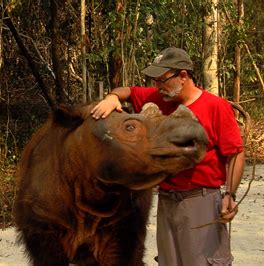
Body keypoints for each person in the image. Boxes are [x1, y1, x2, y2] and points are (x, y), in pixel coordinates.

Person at [90, 47, 245, 266]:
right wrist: (111, 97)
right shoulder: (159, 98)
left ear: (183, 76)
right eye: (155, 81)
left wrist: (230, 194)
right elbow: (127, 91)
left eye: (162, 80)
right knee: (169, 262)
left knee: (204, 262)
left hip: (200, 199)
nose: (157, 87)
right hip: (166, 199)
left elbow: (235, 154)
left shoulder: (215, 106)